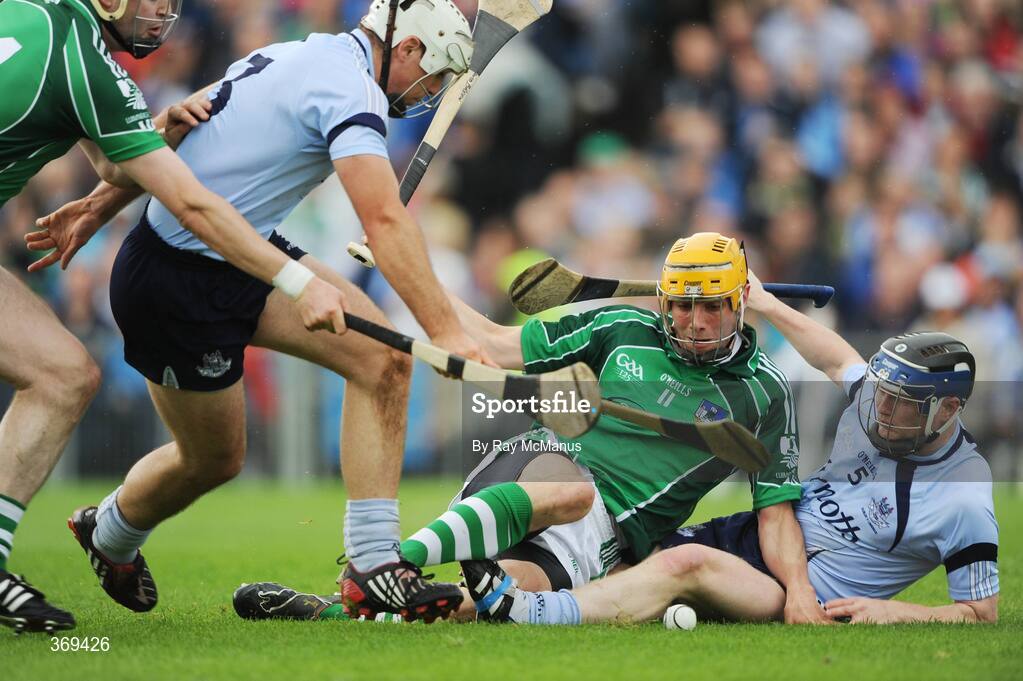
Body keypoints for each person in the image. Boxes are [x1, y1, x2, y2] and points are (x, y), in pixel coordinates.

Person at [32, 0, 487, 623]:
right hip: (174, 282)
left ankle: (373, 565)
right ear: (406, 49)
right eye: (434, 76)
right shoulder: (346, 87)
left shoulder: (298, 51)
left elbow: (188, 130)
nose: (430, 94)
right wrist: (447, 332)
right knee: (214, 460)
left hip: (242, 252)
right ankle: (108, 533)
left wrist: (99, 202)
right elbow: (383, 220)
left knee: (382, 361)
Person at [234, 232, 831, 625]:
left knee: (494, 604)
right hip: (540, 467)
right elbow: (492, 343)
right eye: (681, 305)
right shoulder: (623, 328)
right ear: (665, 301)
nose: (694, 321)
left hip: (608, 537)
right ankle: (384, 565)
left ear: (740, 306)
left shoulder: (764, 394)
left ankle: (333, 610)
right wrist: (402, 270)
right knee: (575, 490)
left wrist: (799, 591)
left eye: (711, 306)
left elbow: (775, 510)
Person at [0, 0, 349, 635]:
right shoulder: (86, 62)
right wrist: (299, 280)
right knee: (60, 376)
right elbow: (190, 202)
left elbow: (109, 165)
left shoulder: (37, 19)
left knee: (62, 375)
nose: (165, 14)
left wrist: (157, 128)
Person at [458, 276, 999, 626]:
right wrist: (763, 301)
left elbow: (982, 612)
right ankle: (411, 597)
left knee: (681, 565)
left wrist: (891, 612)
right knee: (610, 560)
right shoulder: (879, 406)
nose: (879, 409)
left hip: (785, 584)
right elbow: (835, 359)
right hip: (740, 539)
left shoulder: (963, 497)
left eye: (899, 403)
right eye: (880, 392)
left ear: (947, 410)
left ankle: (533, 613)